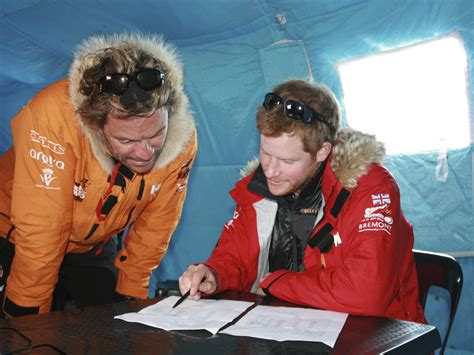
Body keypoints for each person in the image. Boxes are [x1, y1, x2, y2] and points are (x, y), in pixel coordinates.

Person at [179, 79, 426, 323]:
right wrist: (213, 274)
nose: (270, 171)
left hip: (375, 339)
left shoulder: (368, 187)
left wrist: (276, 282)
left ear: (322, 152)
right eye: (265, 153)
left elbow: (366, 294)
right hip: (289, 333)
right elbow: (234, 258)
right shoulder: (255, 190)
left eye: (287, 161)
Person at [0, 32, 197, 317]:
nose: (145, 154)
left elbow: (158, 223)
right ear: (96, 127)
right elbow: (42, 228)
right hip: (15, 233)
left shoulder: (183, 138)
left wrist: (131, 296)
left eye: (156, 134)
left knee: (110, 324)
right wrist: (24, 316)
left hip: (93, 242)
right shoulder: (51, 117)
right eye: (127, 141)